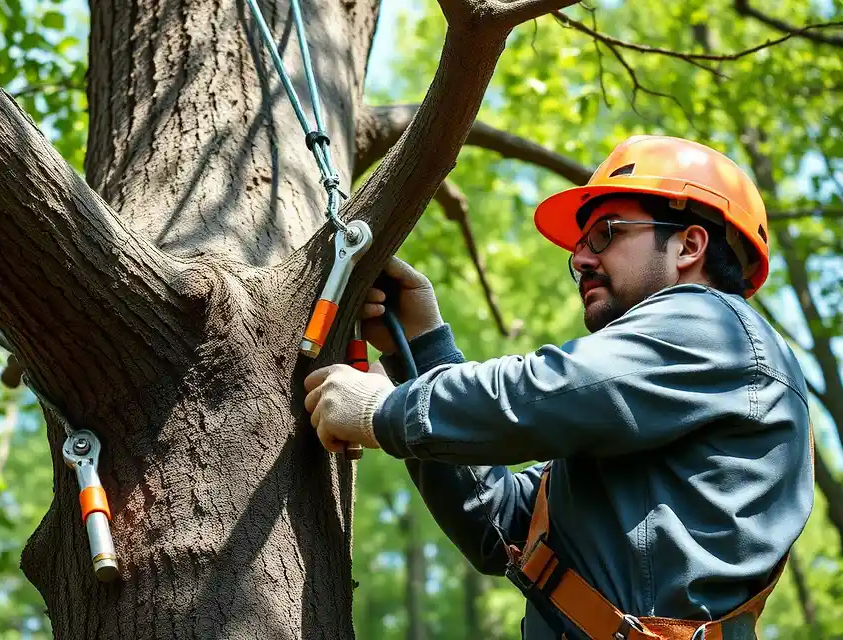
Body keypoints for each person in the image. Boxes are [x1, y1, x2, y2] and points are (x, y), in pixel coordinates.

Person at [303, 135, 815, 639]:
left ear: (690, 245)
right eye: (579, 247)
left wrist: (383, 409)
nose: (581, 260)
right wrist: (422, 346)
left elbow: (543, 390)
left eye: (605, 234)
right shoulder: (646, 411)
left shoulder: (714, 325)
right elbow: (501, 525)